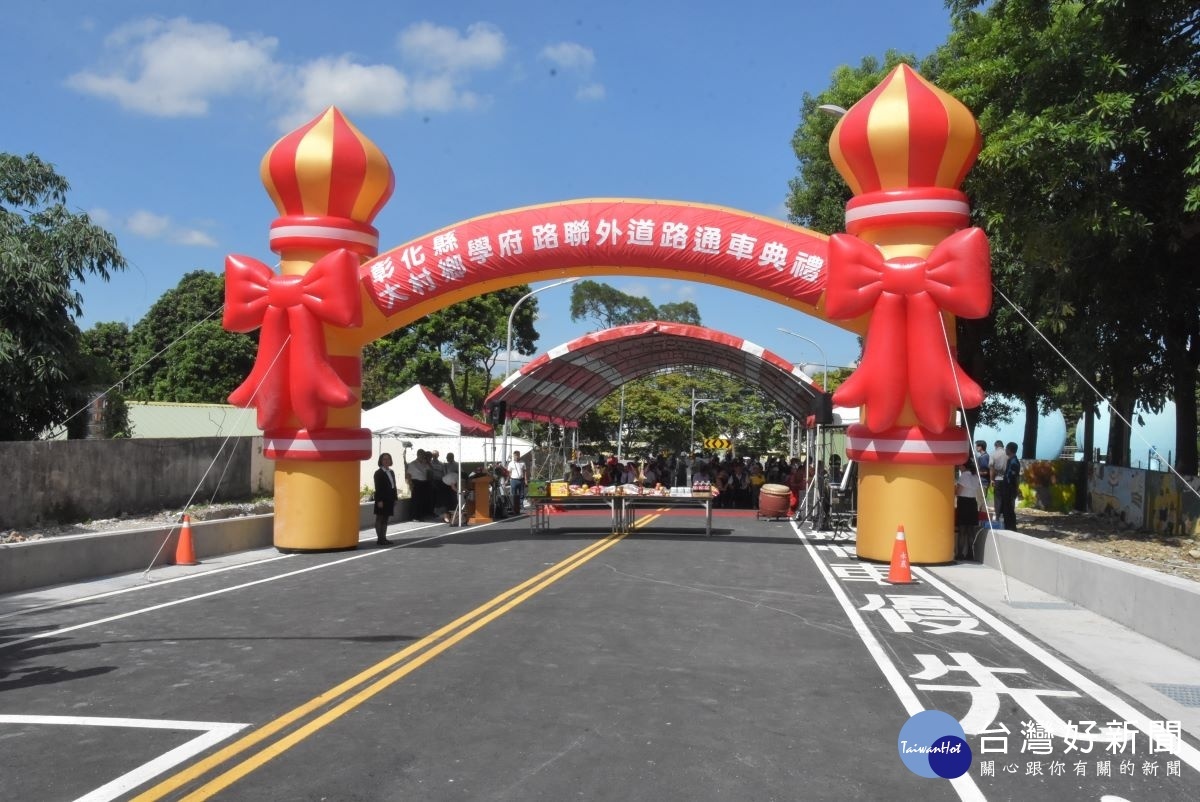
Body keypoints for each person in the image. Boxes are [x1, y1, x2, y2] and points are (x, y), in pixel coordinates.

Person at [954, 459, 986, 560]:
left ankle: (960, 554)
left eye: (960, 465)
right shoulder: (975, 476)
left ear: (964, 466)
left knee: (962, 530)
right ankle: (971, 554)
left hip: (963, 502)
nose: (959, 467)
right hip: (972, 502)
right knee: (970, 530)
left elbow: (958, 492)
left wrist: (954, 489)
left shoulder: (963, 476)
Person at [372, 453, 398, 546]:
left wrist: (395, 498)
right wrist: (379, 500)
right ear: (381, 461)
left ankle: (384, 537)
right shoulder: (378, 473)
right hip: (382, 499)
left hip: (390, 498)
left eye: (388, 459)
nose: (386, 461)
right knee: (380, 518)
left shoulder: (391, 472)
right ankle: (380, 539)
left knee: (386, 518)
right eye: (384, 459)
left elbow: (393, 486)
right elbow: (377, 488)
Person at [997, 442, 1020, 530]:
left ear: (1010, 450)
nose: (1005, 450)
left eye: (1006, 448)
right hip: (1007, 489)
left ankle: (1011, 528)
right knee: (1006, 509)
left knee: (1009, 509)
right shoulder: (1010, 460)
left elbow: (1015, 477)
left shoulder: (1014, 462)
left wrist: (1016, 490)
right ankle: (1008, 526)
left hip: (1010, 490)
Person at [441, 453, 460, 524]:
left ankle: (452, 515)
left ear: (452, 457)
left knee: (454, 499)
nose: (447, 458)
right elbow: (443, 473)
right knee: (447, 499)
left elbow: (461, 472)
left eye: (449, 457)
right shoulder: (445, 465)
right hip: (446, 483)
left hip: (453, 482)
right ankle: (446, 515)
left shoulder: (457, 465)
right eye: (447, 457)